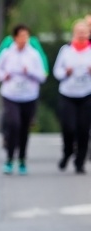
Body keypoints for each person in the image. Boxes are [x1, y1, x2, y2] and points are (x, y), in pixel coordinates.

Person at [0, 24, 47, 175]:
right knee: (14, 124)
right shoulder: (7, 53)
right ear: (15, 37)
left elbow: (42, 76)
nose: (24, 39)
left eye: (26, 36)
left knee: (24, 128)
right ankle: (9, 158)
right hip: (11, 94)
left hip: (29, 95)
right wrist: (4, 76)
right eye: (21, 36)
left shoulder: (34, 54)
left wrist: (30, 72)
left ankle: (22, 158)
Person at [53, 19, 91, 174]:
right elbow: (56, 72)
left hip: (87, 94)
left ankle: (80, 162)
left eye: (84, 32)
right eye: (78, 32)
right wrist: (65, 73)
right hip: (68, 94)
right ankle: (67, 151)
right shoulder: (66, 50)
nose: (81, 35)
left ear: (88, 34)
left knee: (83, 129)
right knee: (69, 127)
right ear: (74, 33)